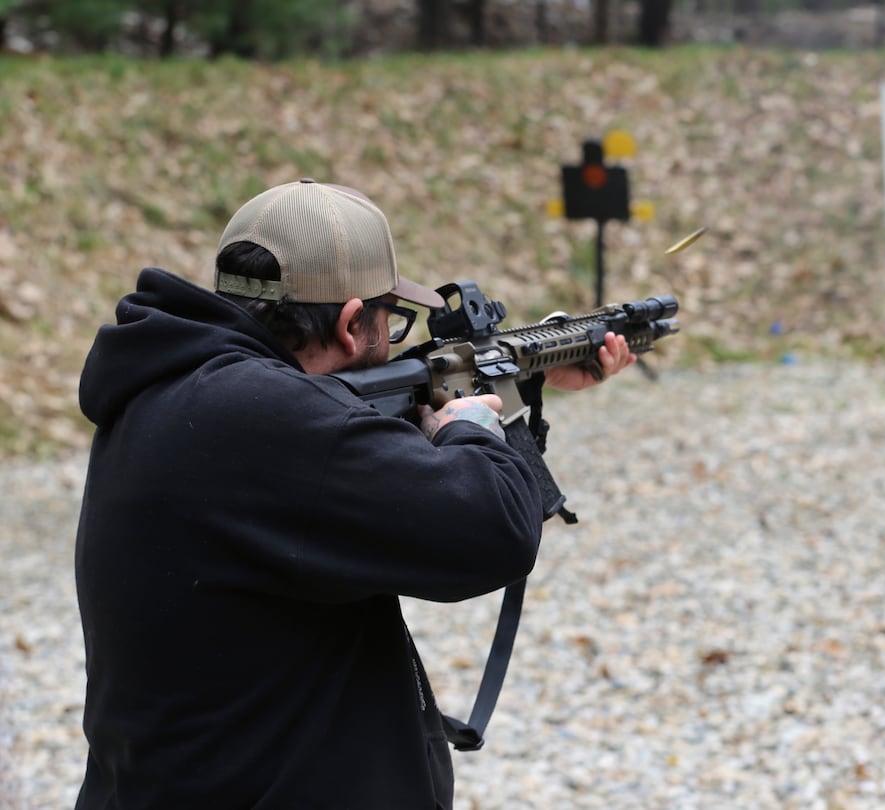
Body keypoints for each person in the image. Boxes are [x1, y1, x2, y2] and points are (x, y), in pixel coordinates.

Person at [73, 178, 635, 808]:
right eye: (388, 326)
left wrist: (517, 373)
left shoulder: (173, 386)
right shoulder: (269, 420)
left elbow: (340, 462)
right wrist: (475, 421)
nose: (390, 343)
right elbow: (492, 530)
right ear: (348, 324)